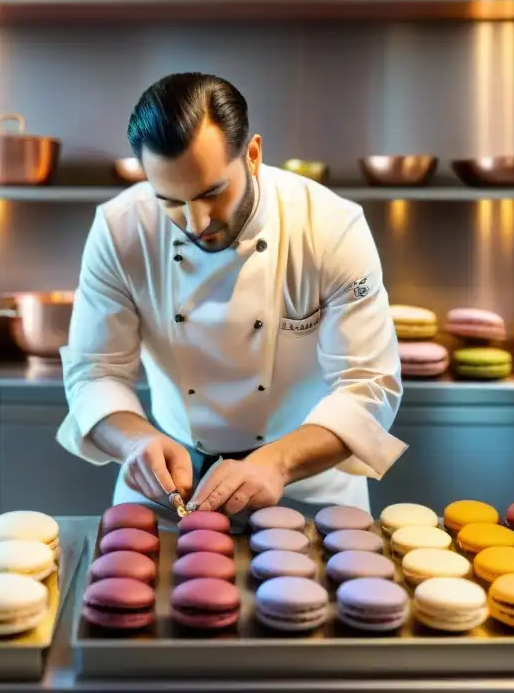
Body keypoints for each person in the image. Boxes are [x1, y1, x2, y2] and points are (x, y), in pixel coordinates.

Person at [56, 72, 405, 520]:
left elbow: (369, 384)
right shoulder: (121, 228)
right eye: (169, 200)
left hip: (308, 482)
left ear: (253, 155)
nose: (196, 221)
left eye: (211, 193)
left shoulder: (331, 228)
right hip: (169, 484)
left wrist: (278, 463)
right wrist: (136, 442)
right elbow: (94, 373)